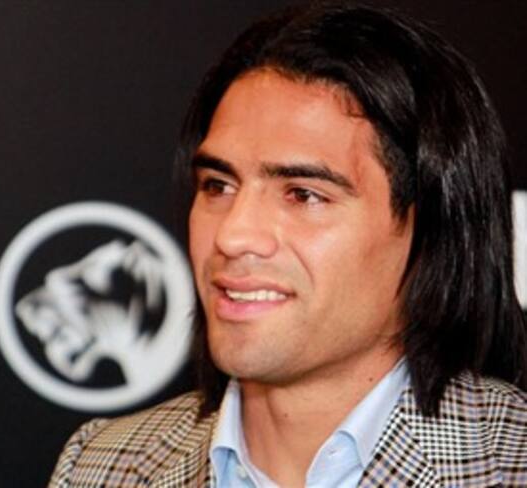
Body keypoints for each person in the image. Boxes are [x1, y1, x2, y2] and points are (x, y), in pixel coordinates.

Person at [49, 4, 527, 487]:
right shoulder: (100, 465)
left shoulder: (508, 465)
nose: (232, 235)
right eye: (218, 185)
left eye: (303, 195)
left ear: (431, 233)